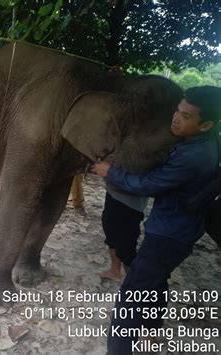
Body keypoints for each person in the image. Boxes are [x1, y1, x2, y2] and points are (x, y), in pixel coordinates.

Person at [92, 85, 220, 354]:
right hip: (181, 228)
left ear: (206, 124)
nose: (176, 117)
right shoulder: (205, 141)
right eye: (178, 110)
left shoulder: (193, 156)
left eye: (186, 116)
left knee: (132, 295)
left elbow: (148, 184)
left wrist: (109, 172)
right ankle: (151, 329)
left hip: (169, 234)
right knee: (157, 279)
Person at [99, 185, 147, 282]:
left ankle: (135, 284)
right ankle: (115, 271)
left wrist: (112, 173)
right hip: (114, 193)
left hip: (131, 201)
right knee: (110, 231)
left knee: (126, 246)